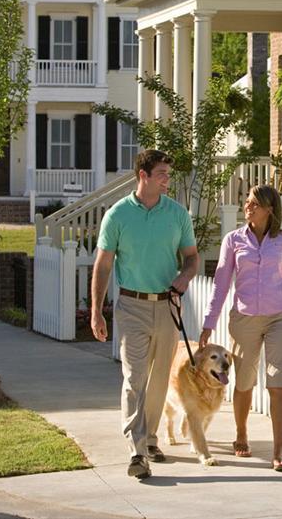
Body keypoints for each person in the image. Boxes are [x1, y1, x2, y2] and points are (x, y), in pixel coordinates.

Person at [90, 149, 198, 480]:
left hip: (167, 305)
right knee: (134, 378)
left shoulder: (178, 214)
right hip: (132, 305)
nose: (168, 179)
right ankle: (137, 451)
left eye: (168, 173)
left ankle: (150, 439)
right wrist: (96, 311)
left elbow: (192, 258)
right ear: (144, 176)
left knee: (158, 379)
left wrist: (184, 276)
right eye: (162, 173)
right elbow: (104, 264)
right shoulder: (118, 215)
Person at [199, 184, 282, 472]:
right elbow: (220, 283)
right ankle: (241, 434)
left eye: (255, 203)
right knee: (243, 382)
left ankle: (279, 450)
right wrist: (209, 323)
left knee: (278, 384)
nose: (248, 207)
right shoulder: (233, 241)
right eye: (247, 202)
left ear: (269, 209)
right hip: (244, 320)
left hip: (281, 316)